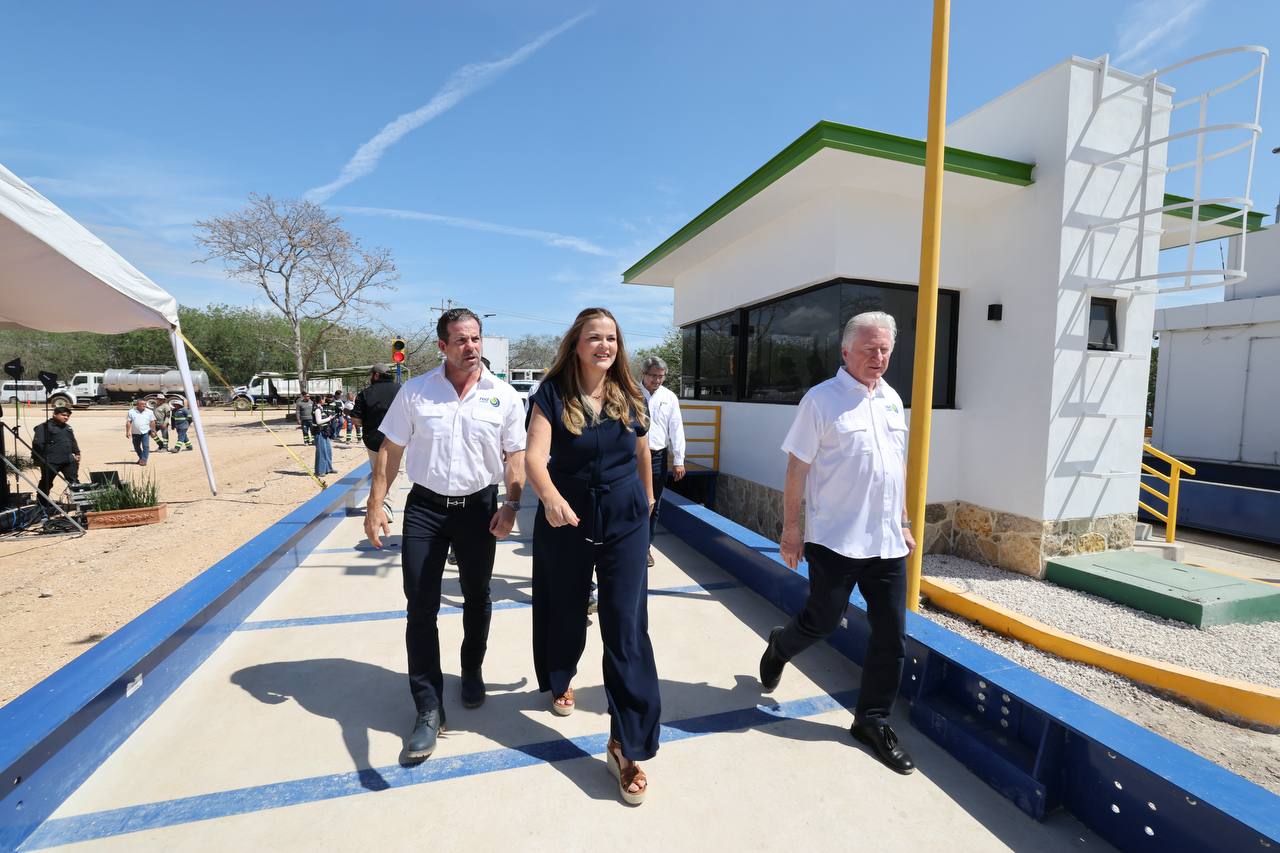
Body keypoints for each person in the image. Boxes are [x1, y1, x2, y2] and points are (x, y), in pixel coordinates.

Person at [758, 311, 917, 775]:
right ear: (846, 351)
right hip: (835, 540)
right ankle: (780, 646)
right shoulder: (821, 400)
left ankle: (871, 721)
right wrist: (791, 529)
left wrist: (904, 521)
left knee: (892, 634)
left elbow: (895, 466)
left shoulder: (892, 400)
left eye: (885, 349)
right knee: (824, 620)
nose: (879, 357)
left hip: (886, 542)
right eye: (869, 349)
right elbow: (797, 468)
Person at [364, 308, 526, 762]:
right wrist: (375, 504)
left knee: (477, 596)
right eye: (460, 340)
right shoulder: (416, 392)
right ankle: (428, 707)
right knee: (420, 606)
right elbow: (390, 450)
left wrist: (511, 504)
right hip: (426, 510)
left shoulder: (504, 396)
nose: (470, 347)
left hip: (478, 509)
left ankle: (471, 669)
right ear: (442, 346)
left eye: (475, 338)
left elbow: (515, 456)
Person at [525, 307, 658, 805]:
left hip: (625, 517)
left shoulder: (631, 393)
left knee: (625, 627)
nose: (604, 345)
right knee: (564, 608)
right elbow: (535, 457)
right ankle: (560, 677)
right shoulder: (552, 393)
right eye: (594, 338)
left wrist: (647, 501)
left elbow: (642, 452)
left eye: (611, 338)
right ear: (576, 345)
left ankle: (626, 746)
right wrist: (549, 497)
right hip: (567, 514)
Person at [638, 356, 686, 567]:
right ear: (643, 374)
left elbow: (676, 428)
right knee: (628, 500)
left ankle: (645, 547)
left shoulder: (669, 397)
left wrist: (679, 459)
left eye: (661, 376)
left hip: (657, 456)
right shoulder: (630, 393)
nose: (657, 380)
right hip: (631, 456)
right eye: (653, 376)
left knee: (653, 503)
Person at [351, 364, 401, 516]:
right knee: (397, 471)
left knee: (378, 472)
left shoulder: (365, 394)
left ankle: (375, 503)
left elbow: (356, 420)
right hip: (397, 439)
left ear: (376, 375)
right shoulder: (401, 390)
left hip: (373, 440)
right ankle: (386, 505)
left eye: (371, 375)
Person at [32, 405, 80, 506]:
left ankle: (80, 503)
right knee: (46, 483)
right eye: (63, 415)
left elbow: (72, 441)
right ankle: (42, 504)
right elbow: (37, 444)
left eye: (68, 416)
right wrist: (41, 459)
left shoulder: (67, 428)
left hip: (68, 460)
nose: (66, 417)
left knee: (74, 482)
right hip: (51, 461)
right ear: (54, 414)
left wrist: (77, 453)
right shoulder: (43, 427)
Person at [124, 399, 157, 466]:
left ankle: (144, 460)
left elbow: (152, 422)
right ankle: (141, 458)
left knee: (146, 446)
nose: (144, 405)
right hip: (135, 432)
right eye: (142, 404)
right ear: (137, 405)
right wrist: (127, 432)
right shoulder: (131, 411)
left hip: (145, 432)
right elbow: (128, 422)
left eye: (145, 404)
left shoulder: (149, 412)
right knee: (136, 447)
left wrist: (153, 431)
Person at [313, 395, 336, 476]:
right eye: (324, 399)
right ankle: (320, 471)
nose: (325, 400)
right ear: (320, 400)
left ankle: (328, 468)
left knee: (328, 450)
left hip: (324, 432)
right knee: (321, 452)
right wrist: (329, 418)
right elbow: (319, 421)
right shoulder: (317, 409)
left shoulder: (321, 408)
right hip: (319, 432)